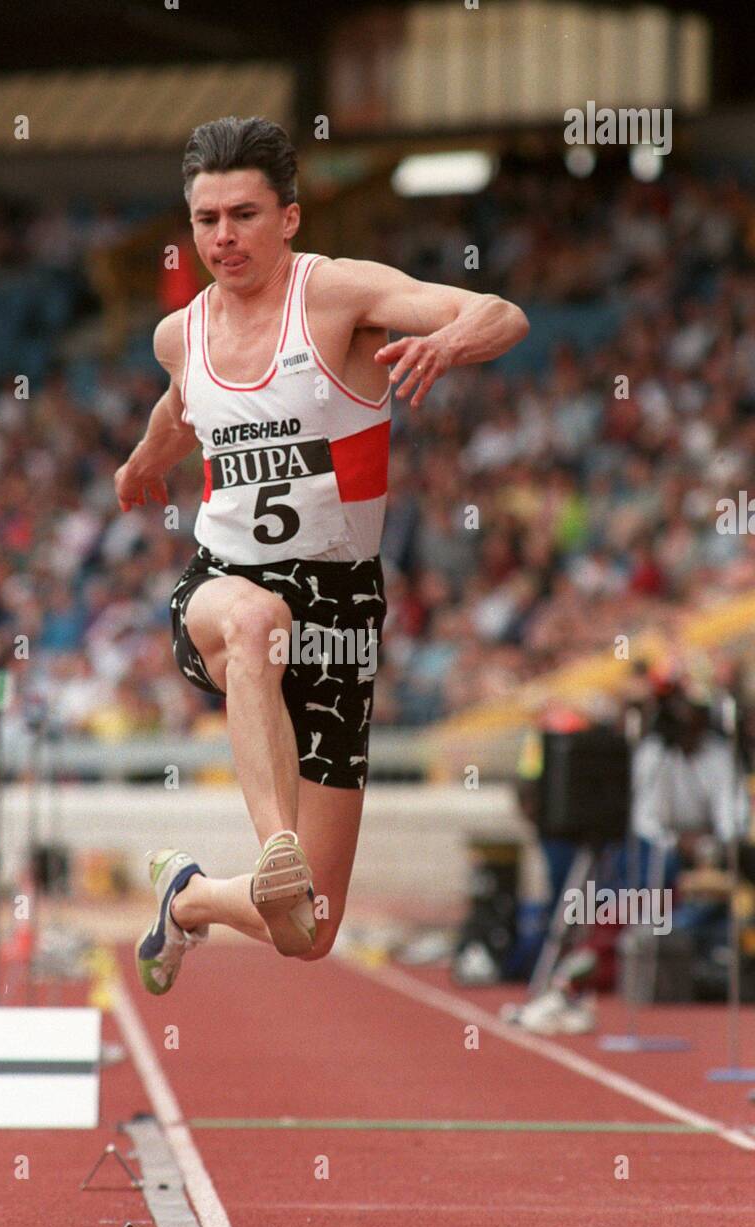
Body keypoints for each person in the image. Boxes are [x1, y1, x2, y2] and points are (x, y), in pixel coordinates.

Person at [114, 116, 529, 994]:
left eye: (244, 215)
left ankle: (187, 899)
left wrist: (448, 343)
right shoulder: (178, 335)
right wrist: (146, 460)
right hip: (226, 593)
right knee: (257, 620)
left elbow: (501, 312)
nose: (223, 237)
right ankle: (275, 847)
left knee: (309, 932)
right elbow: (180, 408)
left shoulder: (336, 296)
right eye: (206, 219)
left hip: (341, 612)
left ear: (290, 218)